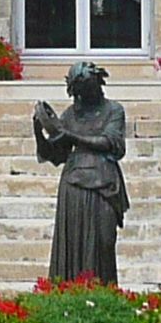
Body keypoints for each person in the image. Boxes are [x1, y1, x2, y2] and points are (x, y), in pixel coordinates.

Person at [32, 60, 128, 284]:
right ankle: (70, 292)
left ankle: (103, 290)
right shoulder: (70, 114)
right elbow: (57, 154)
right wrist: (39, 133)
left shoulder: (114, 110)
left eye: (92, 87)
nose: (88, 94)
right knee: (73, 243)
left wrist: (71, 137)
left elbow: (112, 143)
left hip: (103, 183)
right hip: (74, 184)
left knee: (104, 241)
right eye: (82, 90)